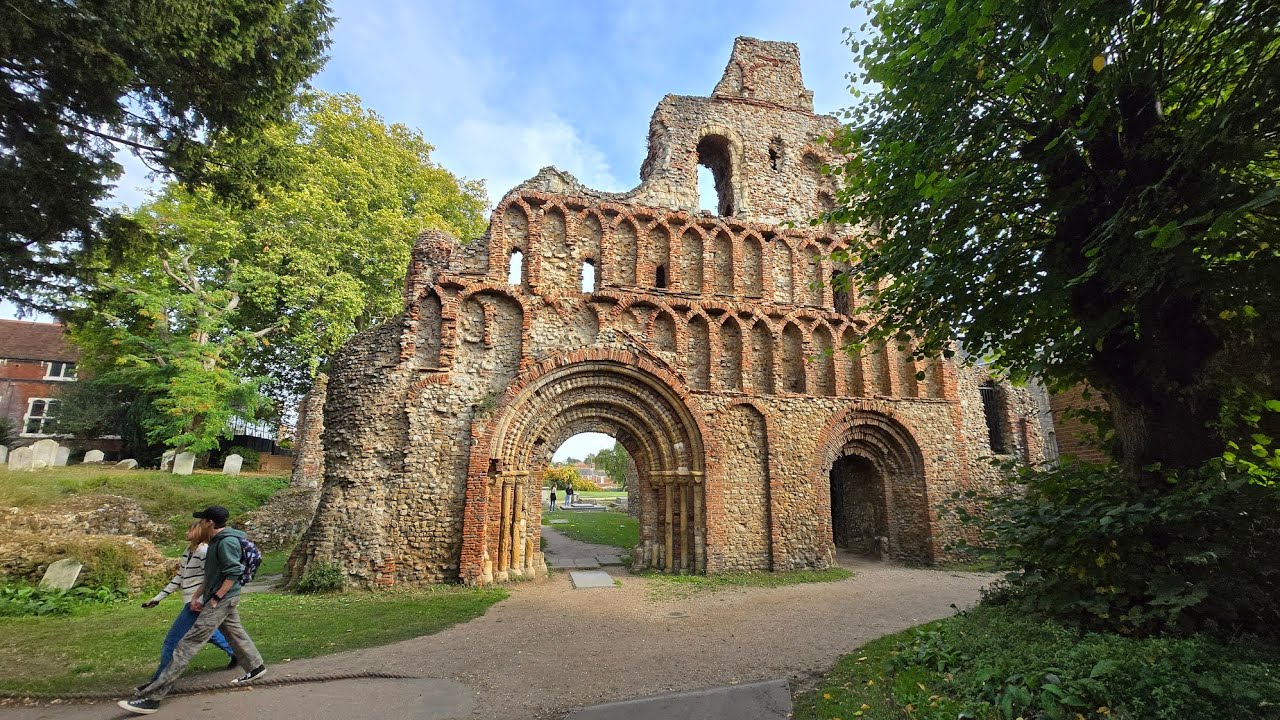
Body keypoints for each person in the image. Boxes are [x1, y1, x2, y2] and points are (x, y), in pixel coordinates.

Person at [119, 506, 268, 715]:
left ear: (209, 523)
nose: (199, 524)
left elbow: (234, 572)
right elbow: (212, 575)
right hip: (220, 597)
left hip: (222, 599)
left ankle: (153, 698)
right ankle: (256, 667)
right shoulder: (216, 542)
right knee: (235, 634)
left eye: (202, 520)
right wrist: (199, 595)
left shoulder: (226, 543)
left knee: (187, 644)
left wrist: (215, 598)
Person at [138, 521, 237, 691]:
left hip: (196, 603)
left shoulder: (204, 551)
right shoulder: (188, 552)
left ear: (198, 531)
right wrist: (158, 598)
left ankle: (159, 680)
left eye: (190, 529)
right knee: (209, 633)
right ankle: (237, 654)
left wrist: (201, 599)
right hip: (191, 601)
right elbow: (179, 577)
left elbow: (210, 577)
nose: (186, 532)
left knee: (172, 641)